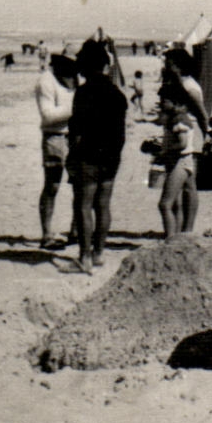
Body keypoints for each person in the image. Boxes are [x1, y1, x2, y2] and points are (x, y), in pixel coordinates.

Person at [68, 40, 128, 273]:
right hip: (111, 157)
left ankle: (84, 258)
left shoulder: (83, 93)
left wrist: (73, 156)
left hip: (88, 157)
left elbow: (76, 130)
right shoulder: (117, 94)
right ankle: (99, 253)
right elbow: (121, 134)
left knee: (83, 206)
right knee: (103, 205)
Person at [35, 54, 78, 250]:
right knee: (52, 186)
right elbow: (48, 115)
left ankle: (76, 231)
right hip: (55, 136)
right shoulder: (46, 81)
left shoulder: (78, 78)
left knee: (80, 186)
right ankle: (47, 234)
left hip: (77, 136)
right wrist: (77, 108)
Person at [156, 70, 203, 239]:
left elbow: (182, 142)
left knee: (165, 204)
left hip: (180, 161)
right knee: (176, 203)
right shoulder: (179, 117)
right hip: (184, 161)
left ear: (175, 102)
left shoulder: (178, 120)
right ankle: (180, 236)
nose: (161, 103)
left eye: (164, 101)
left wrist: (165, 151)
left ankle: (170, 238)